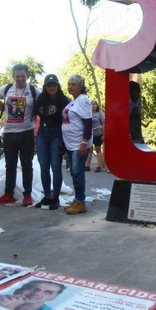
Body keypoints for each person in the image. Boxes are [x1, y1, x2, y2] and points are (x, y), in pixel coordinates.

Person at [0, 63, 40, 206]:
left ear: (27, 77)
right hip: (9, 134)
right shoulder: (6, 89)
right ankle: (9, 194)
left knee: (27, 165)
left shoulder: (33, 91)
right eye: (17, 76)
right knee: (10, 165)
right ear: (13, 76)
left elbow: (44, 102)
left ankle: (27, 195)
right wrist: (2, 108)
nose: (20, 79)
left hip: (27, 133)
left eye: (23, 76)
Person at [33, 74, 69, 210]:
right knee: (43, 166)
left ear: (58, 86)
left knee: (55, 166)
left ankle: (56, 197)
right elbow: (34, 115)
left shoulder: (64, 101)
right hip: (42, 133)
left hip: (56, 133)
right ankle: (47, 196)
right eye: (49, 85)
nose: (52, 87)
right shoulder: (40, 99)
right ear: (45, 86)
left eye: (54, 84)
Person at [62, 74, 92, 214]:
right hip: (71, 144)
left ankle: (81, 202)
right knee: (75, 173)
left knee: (77, 172)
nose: (70, 87)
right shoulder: (73, 102)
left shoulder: (83, 100)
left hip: (79, 144)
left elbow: (88, 123)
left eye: (73, 84)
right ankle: (78, 199)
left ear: (81, 86)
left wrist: (84, 143)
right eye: (69, 84)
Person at [0, 280, 65, 310]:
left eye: (48, 292)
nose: (37, 293)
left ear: (53, 298)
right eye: (34, 288)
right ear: (22, 289)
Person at [86, 99, 106, 172]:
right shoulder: (87, 113)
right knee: (89, 150)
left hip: (98, 133)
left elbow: (103, 124)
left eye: (94, 104)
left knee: (98, 149)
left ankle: (99, 166)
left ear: (96, 105)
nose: (93, 106)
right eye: (91, 104)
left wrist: (104, 134)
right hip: (90, 134)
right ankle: (87, 166)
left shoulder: (100, 114)